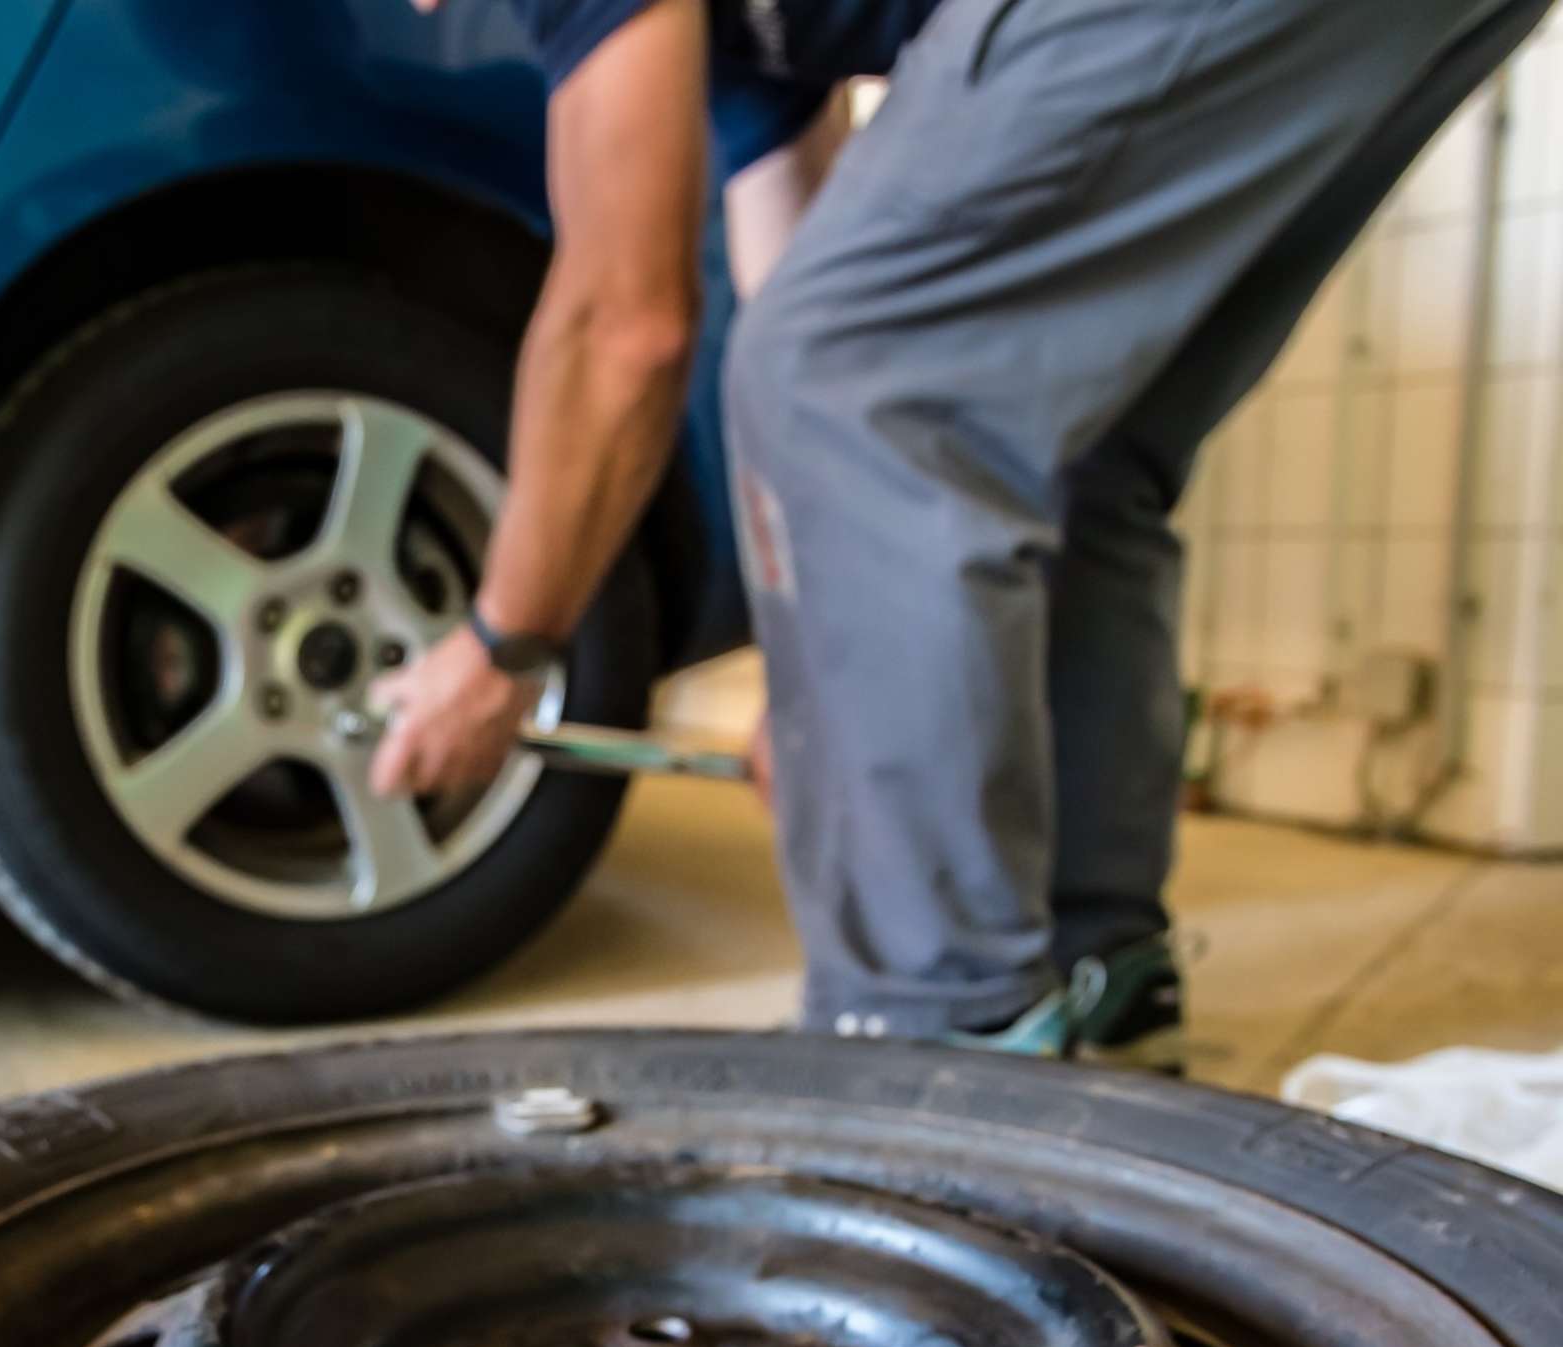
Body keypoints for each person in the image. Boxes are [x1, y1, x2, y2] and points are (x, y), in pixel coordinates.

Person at [370, 0, 1548, 1061]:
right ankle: (1104, 996)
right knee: (1054, 430)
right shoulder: (729, 39)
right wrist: (820, 692)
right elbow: (800, 339)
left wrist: (504, 648)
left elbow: (626, 326)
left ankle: (936, 1047)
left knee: (862, 379)